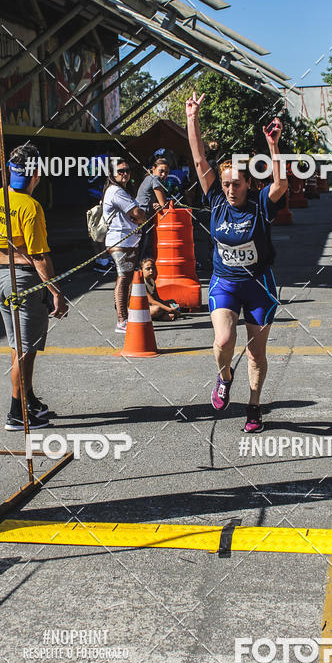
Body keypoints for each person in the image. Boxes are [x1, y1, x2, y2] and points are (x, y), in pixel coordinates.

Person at [186, 92, 288, 433]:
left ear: (248, 184)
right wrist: (192, 118)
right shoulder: (216, 200)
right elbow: (199, 160)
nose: (230, 190)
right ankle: (224, 376)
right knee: (223, 341)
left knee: (257, 354)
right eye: (226, 184)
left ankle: (254, 406)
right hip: (225, 283)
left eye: (236, 184)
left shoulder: (260, 203)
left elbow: (280, 183)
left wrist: (273, 146)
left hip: (259, 286)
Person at [0, 143, 68, 431]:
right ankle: (16, 413)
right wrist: (57, 293)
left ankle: (27, 400)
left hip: (2, 278)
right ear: (37, 174)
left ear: (10, 171)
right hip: (24, 281)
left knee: (16, 345)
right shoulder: (31, 207)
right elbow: (39, 257)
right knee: (25, 349)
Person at [102, 158, 146, 333]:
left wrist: (139, 216)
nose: (125, 174)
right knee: (124, 279)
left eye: (127, 170)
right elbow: (137, 213)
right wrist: (140, 216)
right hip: (121, 241)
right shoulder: (116, 191)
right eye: (120, 171)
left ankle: (124, 316)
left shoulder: (121, 190)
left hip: (127, 241)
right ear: (112, 174)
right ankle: (122, 320)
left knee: (126, 278)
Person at [136, 152, 170, 260]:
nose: (163, 174)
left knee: (139, 246)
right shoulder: (155, 179)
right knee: (143, 247)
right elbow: (164, 204)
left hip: (138, 215)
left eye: (166, 172)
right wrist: (163, 204)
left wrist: (155, 203)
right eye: (161, 171)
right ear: (153, 169)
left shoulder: (148, 178)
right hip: (143, 217)